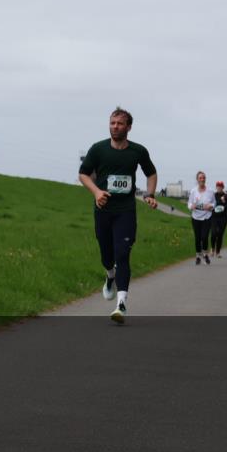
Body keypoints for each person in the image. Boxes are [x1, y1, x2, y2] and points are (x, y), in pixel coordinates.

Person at [78, 107, 158, 324]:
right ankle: (110, 275)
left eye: (120, 123)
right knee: (107, 257)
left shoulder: (138, 151)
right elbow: (83, 174)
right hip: (103, 211)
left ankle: (121, 304)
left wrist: (150, 194)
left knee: (122, 254)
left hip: (126, 211)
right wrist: (96, 192)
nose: (115, 127)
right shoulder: (98, 149)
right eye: (112, 123)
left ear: (129, 127)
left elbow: (151, 173)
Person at [188, 172, 215, 265]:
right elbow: (189, 204)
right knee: (197, 238)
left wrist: (210, 206)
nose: (202, 179)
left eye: (203, 178)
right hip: (196, 217)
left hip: (207, 217)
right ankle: (198, 256)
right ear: (197, 179)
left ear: (205, 179)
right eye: (200, 178)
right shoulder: (193, 191)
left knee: (204, 237)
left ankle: (205, 254)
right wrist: (192, 206)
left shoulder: (210, 191)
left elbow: (214, 203)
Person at [209, 181, 227, 259]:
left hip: (223, 218)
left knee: (220, 234)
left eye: (221, 186)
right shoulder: (213, 195)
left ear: (223, 187)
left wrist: (225, 202)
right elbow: (209, 204)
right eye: (218, 186)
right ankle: (212, 249)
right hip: (214, 217)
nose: (219, 188)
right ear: (216, 187)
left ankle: (218, 252)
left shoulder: (226, 196)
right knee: (213, 233)